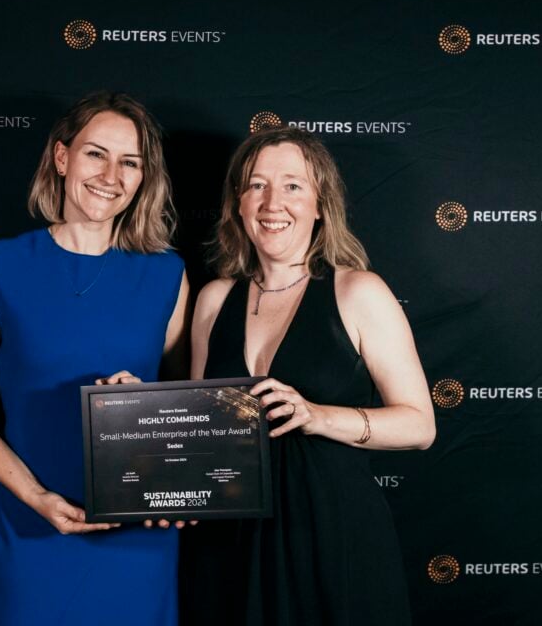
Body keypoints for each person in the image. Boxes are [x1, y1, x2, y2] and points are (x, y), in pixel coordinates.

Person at [0, 91, 191, 626]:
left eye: (130, 162)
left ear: (144, 177)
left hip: (137, 540)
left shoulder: (168, 275)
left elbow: (186, 409)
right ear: (61, 158)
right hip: (31, 527)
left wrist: (146, 403)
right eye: (95, 153)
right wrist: (34, 497)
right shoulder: (0, 266)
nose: (110, 174)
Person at [180, 126, 435, 625]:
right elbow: (198, 435)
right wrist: (127, 408)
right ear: (238, 202)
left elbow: (420, 426)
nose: (273, 201)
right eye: (256, 184)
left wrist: (318, 416)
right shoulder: (213, 299)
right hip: (230, 544)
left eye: (293, 185)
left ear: (321, 204)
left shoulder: (358, 291)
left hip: (330, 535)